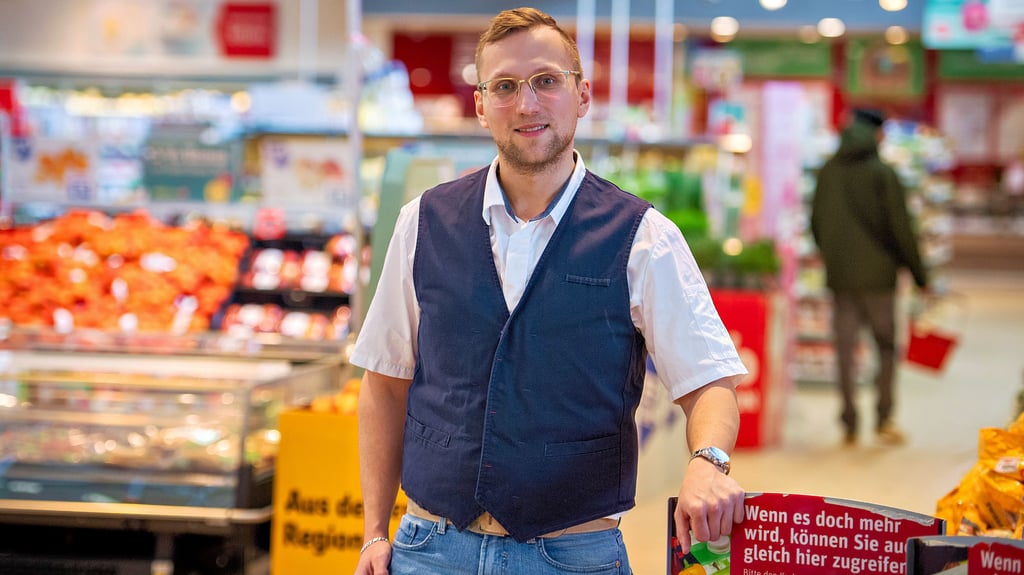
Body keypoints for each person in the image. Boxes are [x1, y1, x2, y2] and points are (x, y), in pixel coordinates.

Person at [352, 7, 748, 574]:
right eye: (506, 86)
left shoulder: (644, 238)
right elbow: (384, 383)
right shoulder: (423, 221)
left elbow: (709, 381)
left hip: (571, 555)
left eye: (546, 81)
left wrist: (708, 461)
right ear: (481, 104)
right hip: (430, 548)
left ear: (582, 95)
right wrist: (373, 532)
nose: (527, 103)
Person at [810, 108, 930, 447]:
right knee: (886, 347)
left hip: (841, 279)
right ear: (877, 134)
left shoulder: (828, 172)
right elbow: (901, 229)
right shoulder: (884, 174)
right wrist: (920, 274)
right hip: (880, 280)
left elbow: (816, 222)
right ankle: (884, 419)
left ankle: (849, 422)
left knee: (845, 351)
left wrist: (834, 258)